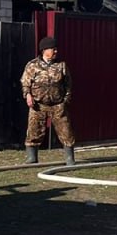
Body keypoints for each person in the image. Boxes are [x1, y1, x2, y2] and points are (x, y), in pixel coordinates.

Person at [21, 36, 75, 165]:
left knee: (66, 131)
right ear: (44, 50)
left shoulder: (61, 65)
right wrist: (28, 95)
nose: (56, 51)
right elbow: (25, 83)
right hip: (38, 105)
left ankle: (69, 159)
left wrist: (65, 100)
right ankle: (32, 157)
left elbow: (68, 84)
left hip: (58, 105)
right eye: (53, 49)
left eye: (56, 49)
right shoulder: (33, 65)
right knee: (34, 131)